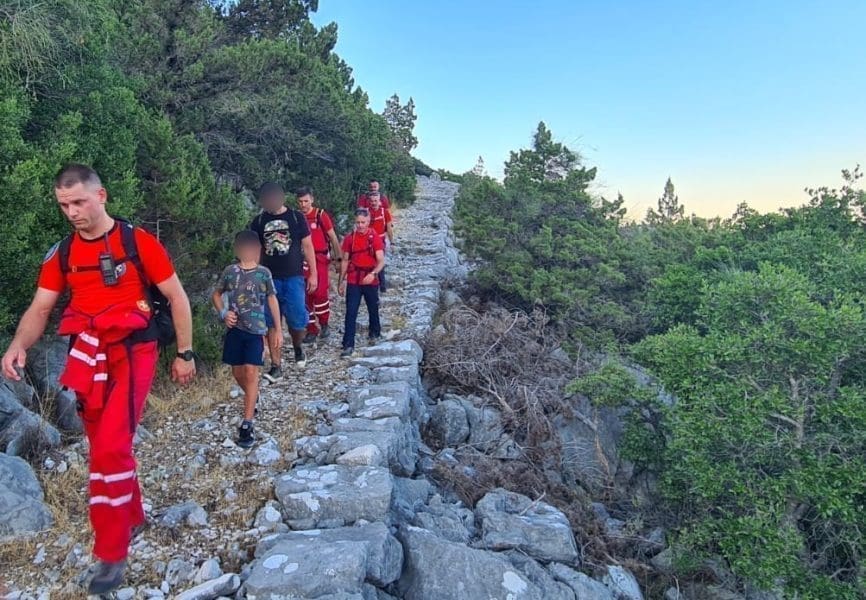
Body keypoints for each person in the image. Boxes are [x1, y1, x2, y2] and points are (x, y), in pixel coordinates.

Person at [0, 164, 196, 595]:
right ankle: (133, 515)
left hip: (134, 350)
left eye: (79, 202)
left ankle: (111, 552)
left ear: (101, 195)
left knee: (110, 447)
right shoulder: (63, 254)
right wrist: (18, 345)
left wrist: (185, 353)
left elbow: (177, 296)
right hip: (87, 352)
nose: (72, 212)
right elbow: (40, 307)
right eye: (64, 205)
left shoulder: (137, 242)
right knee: (102, 443)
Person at [212, 231, 281, 448]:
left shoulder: (264, 273)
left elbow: (272, 299)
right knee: (238, 372)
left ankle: (247, 424)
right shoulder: (230, 272)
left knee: (251, 372)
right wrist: (224, 313)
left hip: (256, 331)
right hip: (235, 330)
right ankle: (254, 395)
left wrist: (278, 329)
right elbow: (216, 294)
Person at [249, 182, 317, 380]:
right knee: (271, 322)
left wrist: (313, 273)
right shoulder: (258, 221)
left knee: (297, 320)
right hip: (269, 280)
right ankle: (276, 365)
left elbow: (307, 246)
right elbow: (255, 250)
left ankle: (297, 346)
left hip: (294, 277)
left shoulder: (296, 217)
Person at [296, 186, 341, 344]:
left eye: (306, 201)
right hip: (302, 260)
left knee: (320, 293)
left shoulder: (320, 215)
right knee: (305, 295)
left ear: (312, 200)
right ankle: (311, 329)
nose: (303, 204)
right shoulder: (296, 218)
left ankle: (324, 323)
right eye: (300, 201)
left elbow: (333, 237)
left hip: (320, 258)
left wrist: (338, 260)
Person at [338, 209, 386, 358]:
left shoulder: (374, 237)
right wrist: (341, 281)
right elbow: (345, 260)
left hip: (370, 278)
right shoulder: (349, 239)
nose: (360, 225)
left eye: (363, 222)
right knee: (351, 311)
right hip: (354, 279)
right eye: (358, 222)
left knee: (373, 307)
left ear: (368, 221)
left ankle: (375, 333)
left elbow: (381, 261)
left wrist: (373, 274)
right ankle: (348, 344)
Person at [367, 191, 394, 293]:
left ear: (379, 201)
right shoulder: (366, 213)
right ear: (369, 201)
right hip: (368, 242)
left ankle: (382, 285)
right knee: (369, 263)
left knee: (380, 261)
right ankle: (371, 284)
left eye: (376, 201)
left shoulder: (384, 212)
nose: (374, 203)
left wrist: (392, 242)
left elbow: (389, 228)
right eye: (372, 201)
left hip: (380, 242)